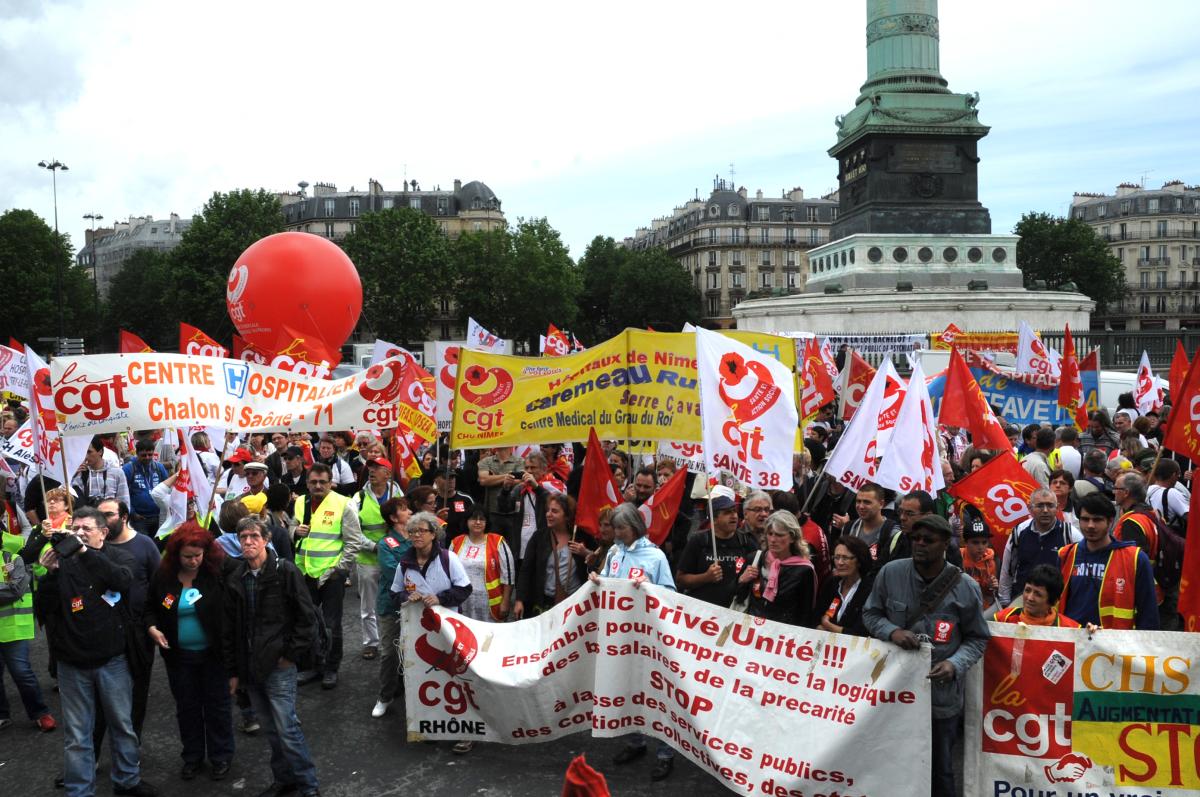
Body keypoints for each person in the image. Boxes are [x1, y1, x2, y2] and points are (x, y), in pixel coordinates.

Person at [863, 514, 990, 797]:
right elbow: (870, 613)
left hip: (940, 697)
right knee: (891, 760)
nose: (920, 544)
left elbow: (978, 637)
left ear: (945, 544)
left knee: (940, 768)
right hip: (894, 692)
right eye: (915, 539)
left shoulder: (965, 587)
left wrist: (954, 664)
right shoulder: (890, 573)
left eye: (928, 540)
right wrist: (891, 631)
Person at [34, 506, 157, 797]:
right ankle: (80, 790)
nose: (78, 534)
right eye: (74, 529)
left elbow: (122, 581)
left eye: (86, 529)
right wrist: (50, 576)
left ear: (103, 533)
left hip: (112, 659)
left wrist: (84, 553)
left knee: (122, 725)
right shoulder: (62, 563)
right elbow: (43, 610)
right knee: (77, 735)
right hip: (71, 662)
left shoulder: (117, 556)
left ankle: (127, 781)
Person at [221, 517, 320, 797]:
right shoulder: (236, 577)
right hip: (250, 667)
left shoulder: (284, 571)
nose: (248, 541)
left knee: (287, 728)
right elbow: (229, 629)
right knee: (271, 730)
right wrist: (233, 671)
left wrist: (289, 655)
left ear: (266, 540)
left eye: (254, 536)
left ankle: (308, 786)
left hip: (278, 666)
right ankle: (284, 779)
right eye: (243, 537)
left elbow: (306, 618)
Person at [145, 522, 233, 781]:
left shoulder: (216, 573)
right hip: (179, 657)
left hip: (213, 655)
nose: (193, 561)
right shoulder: (163, 577)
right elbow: (150, 607)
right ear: (176, 555)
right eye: (187, 557)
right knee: (187, 708)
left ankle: (221, 756)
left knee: (217, 707)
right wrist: (151, 627)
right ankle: (192, 756)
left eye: (198, 555)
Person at [596, 503, 676, 781]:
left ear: (635, 527)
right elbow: (608, 582)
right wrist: (598, 581)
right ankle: (635, 742)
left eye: (622, 527)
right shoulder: (613, 553)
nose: (617, 532)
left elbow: (669, 592)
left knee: (656, 694)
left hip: (649, 637)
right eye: (614, 527)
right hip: (620, 635)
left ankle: (665, 753)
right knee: (627, 687)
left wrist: (649, 587)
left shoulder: (656, 557)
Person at [96, 498, 161, 748]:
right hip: (102, 631)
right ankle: (90, 754)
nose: (103, 520)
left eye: (109, 515)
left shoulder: (145, 545)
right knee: (98, 696)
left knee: (136, 693)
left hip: (137, 631)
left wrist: (153, 624)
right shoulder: (93, 547)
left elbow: (158, 585)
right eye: (99, 515)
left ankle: (130, 749)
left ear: (124, 517)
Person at [293, 463, 364, 690]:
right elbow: (291, 529)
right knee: (306, 622)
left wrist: (340, 570)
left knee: (331, 624)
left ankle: (331, 668)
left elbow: (354, 541)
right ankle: (311, 666)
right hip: (304, 573)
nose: (318, 486)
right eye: (313, 482)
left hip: (331, 574)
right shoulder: (299, 502)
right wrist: (293, 531)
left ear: (331, 482)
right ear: (307, 483)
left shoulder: (345, 504)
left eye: (323, 482)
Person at [1058, 493, 1158, 630]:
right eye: (1085, 519)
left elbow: (1149, 613)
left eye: (1097, 520)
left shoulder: (1135, 559)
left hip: (1114, 645)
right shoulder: (1066, 554)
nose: (1090, 525)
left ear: (1110, 521)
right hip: (1072, 640)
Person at [0, 540, 55, 732]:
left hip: (14, 629)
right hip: (10, 627)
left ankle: (40, 712)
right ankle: (2, 714)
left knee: (22, 673)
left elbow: (15, 590)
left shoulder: (13, 560)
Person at [674, 488, 759, 608]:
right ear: (714, 519)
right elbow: (680, 580)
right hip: (701, 611)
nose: (734, 516)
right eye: (727, 513)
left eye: (734, 511)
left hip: (733, 612)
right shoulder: (698, 541)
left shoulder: (746, 542)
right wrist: (705, 577)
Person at [997, 488, 1082, 607]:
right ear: (1030, 508)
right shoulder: (1019, 531)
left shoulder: (1070, 534)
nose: (1045, 510)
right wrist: (1005, 602)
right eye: (1040, 506)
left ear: (1057, 508)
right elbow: (1007, 570)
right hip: (1022, 601)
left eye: (1050, 505)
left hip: (1056, 604)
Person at [513, 494, 592, 619]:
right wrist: (519, 600)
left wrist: (586, 553)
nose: (548, 514)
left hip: (574, 604)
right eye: (548, 510)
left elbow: (598, 562)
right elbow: (526, 570)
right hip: (543, 604)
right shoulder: (539, 538)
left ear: (566, 516)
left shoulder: (580, 537)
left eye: (554, 511)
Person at [352, 457, 401, 661]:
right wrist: (374, 547)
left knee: (397, 600)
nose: (371, 471)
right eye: (370, 468)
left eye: (377, 468)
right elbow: (353, 530)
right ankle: (371, 643)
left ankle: (397, 640)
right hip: (368, 559)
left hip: (393, 560)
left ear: (388, 474)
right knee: (368, 604)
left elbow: (403, 524)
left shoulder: (398, 495)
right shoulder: (359, 497)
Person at [736, 510, 815, 626]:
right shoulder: (755, 559)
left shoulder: (804, 570)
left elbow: (805, 613)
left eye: (779, 535)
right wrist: (741, 581)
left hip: (781, 635)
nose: (773, 539)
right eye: (770, 533)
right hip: (751, 629)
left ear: (792, 538)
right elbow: (738, 597)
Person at [371, 496, 412, 719]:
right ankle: (385, 696)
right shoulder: (386, 544)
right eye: (405, 510)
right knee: (389, 653)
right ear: (394, 518)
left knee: (415, 652)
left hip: (415, 605)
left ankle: (414, 695)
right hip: (391, 605)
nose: (410, 512)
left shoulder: (418, 538)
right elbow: (392, 571)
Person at [449, 506, 515, 623]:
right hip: (462, 603)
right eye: (474, 518)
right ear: (466, 521)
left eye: (482, 519)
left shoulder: (498, 542)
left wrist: (505, 601)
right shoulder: (456, 542)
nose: (478, 522)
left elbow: (508, 575)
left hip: (489, 605)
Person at [814, 536, 874, 636]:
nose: (840, 563)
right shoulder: (831, 584)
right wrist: (820, 628)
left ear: (859, 561)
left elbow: (861, 632)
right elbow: (815, 618)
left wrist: (828, 625)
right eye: (837, 557)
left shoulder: (869, 589)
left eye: (845, 558)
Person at [995, 564, 1080, 627]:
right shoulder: (1003, 618)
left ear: (1054, 601)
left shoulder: (1069, 629)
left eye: (1038, 594)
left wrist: (1091, 634)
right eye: (1027, 590)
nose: (1029, 598)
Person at [846, 482, 898, 566]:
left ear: (881, 504)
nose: (861, 506)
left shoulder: (892, 533)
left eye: (867, 502)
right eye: (858, 501)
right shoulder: (849, 528)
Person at [123, 439, 168, 536]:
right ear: (137, 454)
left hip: (159, 516)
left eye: (150, 455)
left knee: (158, 546)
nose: (147, 458)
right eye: (143, 455)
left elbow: (168, 488)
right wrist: (132, 513)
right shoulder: (128, 469)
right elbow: (123, 494)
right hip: (139, 518)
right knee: (144, 547)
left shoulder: (159, 467)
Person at [73, 436, 130, 508]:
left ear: (100, 452)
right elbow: (69, 498)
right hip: (88, 516)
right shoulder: (81, 472)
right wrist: (72, 475)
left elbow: (124, 499)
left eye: (89, 452)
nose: (86, 456)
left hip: (110, 516)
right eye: (83, 452)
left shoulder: (117, 472)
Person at [959, 517, 997, 612]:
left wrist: (990, 586)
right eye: (975, 542)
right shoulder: (958, 557)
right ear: (966, 542)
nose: (980, 547)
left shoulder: (990, 562)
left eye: (984, 542)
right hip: (959, 605)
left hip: (980, 608)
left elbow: (988, 595)